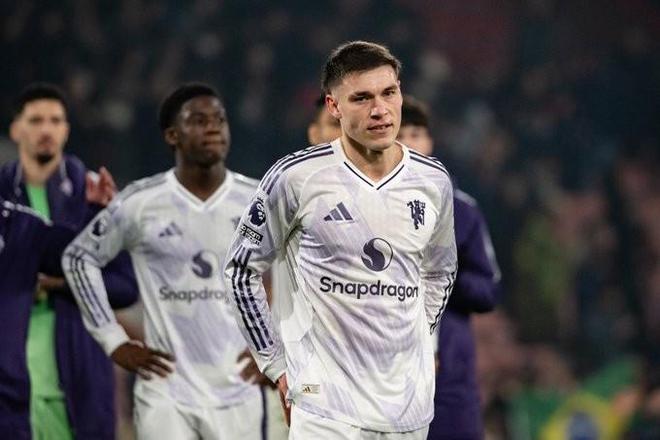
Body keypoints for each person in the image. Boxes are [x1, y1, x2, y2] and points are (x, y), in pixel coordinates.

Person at [224, 41, 458, 439]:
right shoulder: (296, 177)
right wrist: (275, 364)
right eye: (362, 98)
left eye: (389, 93)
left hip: (408, 408)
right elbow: (240, 270)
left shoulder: (433, 181)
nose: (380, 110)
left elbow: (440, 270)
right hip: (325, 409)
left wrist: (413, 333)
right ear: (333, 106)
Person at [62, 83, 266, 439]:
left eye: (219, 120)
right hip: (165, 393)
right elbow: (79, 258)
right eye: (199, 120)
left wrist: (279, 350)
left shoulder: (257, 201)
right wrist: (112, 340)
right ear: (173, 135)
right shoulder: (141, 202)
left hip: (239, 392)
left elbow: (296, 266)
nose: (213, 128)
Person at [0, 83, 137, 439]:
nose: (46, 129)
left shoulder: (91, 194)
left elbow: (126, 286)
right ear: (15, 129)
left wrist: (59, 284)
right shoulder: (3, 200)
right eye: (35, 120)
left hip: (80, 373)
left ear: (66, 129)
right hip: (13, 379)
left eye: (55, 120)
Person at [397, 95, 501, 439]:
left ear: (430, 142)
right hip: (386, 375)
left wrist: (442, 275)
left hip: (450, 379)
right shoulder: (365, 206)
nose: (408, 143)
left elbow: (488, 291)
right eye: (399, 135)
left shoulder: (463, 211)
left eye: (416, 134)